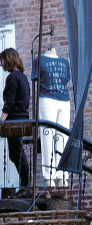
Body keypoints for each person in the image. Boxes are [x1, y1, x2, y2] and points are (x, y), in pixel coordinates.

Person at [32, 46, 71, 186]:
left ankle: (62, 175)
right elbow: (35, 80)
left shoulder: (65, 62)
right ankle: (49, 175)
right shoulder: (39, 60)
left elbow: (66, 80)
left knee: (63, 136)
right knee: (47, 135)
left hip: (64, 100)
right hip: (47, 98)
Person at [0, 48, 32, 199]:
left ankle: (25, 187)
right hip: (22, 118)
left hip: (15, 121)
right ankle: (25, 186)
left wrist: (1, 121)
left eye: (2, 61)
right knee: (16, 153)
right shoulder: (23, 77)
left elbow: (9, 103)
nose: (1, 65)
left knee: (16, 154)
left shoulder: (12, 77)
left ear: (8, 59)